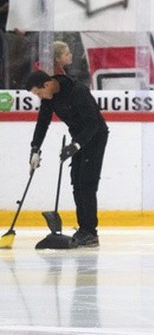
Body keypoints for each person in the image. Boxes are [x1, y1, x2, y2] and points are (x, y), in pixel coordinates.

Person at [25, 69, 109, 248]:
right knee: (76, 182)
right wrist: (35, 149)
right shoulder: (49, 97)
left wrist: (76, 145)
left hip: (95, 137)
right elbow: (43, 123)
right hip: (78, 137)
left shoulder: (78, 91)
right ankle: (83, 229)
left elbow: (93, 122)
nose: (40, 97)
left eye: (39, 93)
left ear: (47, 85)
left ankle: (91, 233)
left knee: (86, 183)